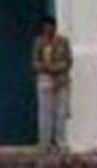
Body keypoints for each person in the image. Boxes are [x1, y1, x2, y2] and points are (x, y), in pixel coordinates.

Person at [32, 15, 73, 151]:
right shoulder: (38, 42)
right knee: (45, 112)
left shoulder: (63, 42)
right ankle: (45, 143)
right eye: (46, 27)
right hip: (45, 80)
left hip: (61, 81)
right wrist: (46, 68)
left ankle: (60, 141)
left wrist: (55, 68)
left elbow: (68, 61)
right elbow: (35, 62)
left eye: (51, 26)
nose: (49, 29)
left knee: (61, 112)